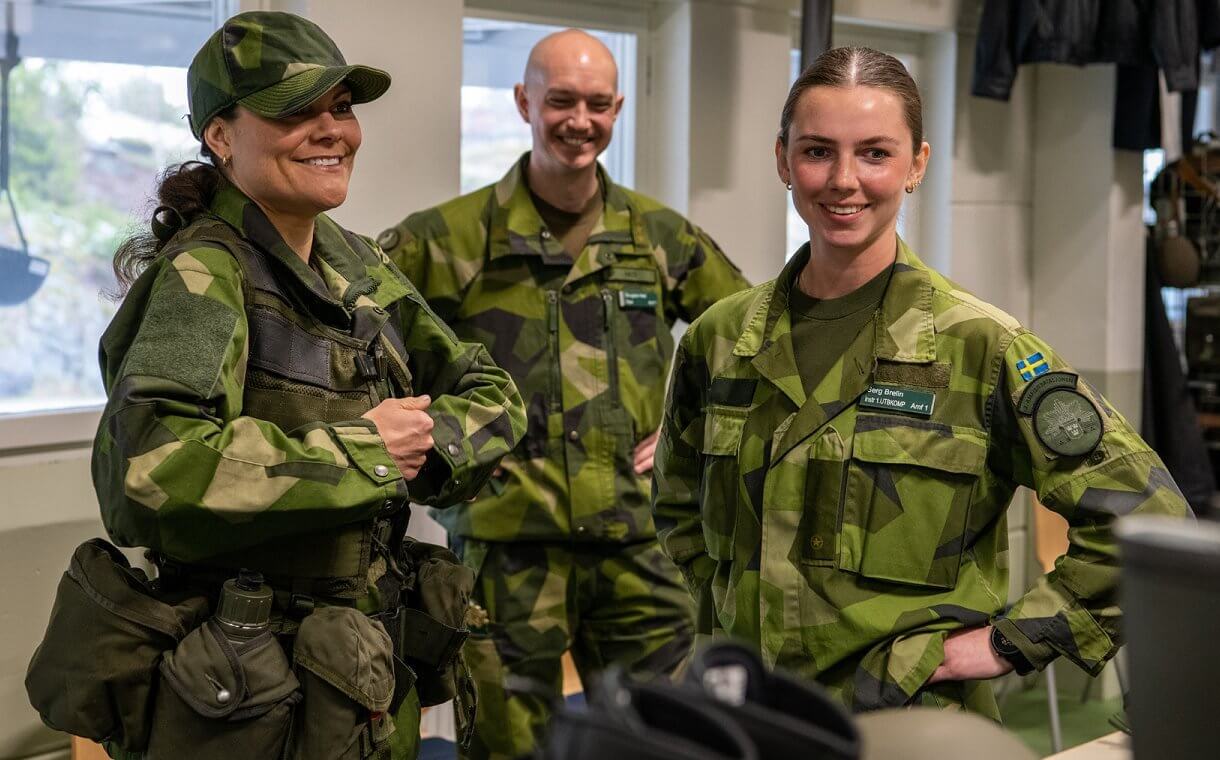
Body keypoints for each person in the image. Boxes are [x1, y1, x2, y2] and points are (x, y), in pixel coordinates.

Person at [652, 46, 1191, 718]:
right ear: (783, 161)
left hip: (908, 722)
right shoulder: (720, 340)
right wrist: (726, 624)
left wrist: (1005, 643)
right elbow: (677, 512)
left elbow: (1147, 515)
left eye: (875, 153)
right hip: (753, 719)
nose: (843, 179)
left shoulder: (981, 346)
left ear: (917, 166)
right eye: (818, 151)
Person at [93, 12, 524, 759]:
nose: (332, 130)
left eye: (342, 108)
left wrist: (424, 450)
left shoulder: (353, 261)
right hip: (254, 692)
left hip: (360, 668)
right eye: (295, 110)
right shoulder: (205, 276)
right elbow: (149, 470)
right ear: (221, 136)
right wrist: (366, 454)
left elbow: (491, 392)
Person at [377, 28, 751, 758]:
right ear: (524, 102)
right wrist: (441, 452)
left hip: (641, 545)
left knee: (667, 736)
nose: (580, 121)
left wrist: (694, 436)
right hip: (506, 549)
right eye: (561, 101)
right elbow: (368, 353)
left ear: (617, 110)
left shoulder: (659, 238)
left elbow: (747, 344)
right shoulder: (447, 239)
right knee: (506, 743)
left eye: (598, 104)